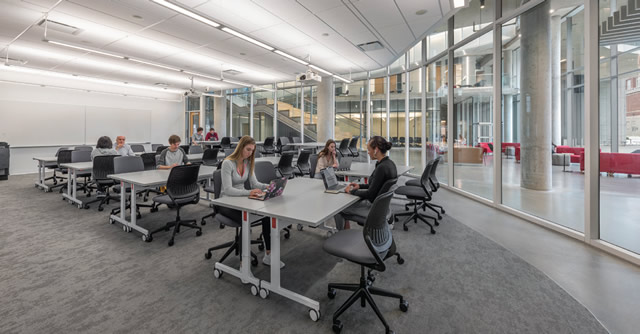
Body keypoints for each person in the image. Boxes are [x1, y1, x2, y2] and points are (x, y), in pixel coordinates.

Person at [220, 136, 283, 268]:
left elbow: (255, 183)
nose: (250, 153)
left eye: (252, 151)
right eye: (248, 149)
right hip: (225, 203)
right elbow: (228, 190)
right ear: (240, 147)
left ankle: (269, 255)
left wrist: (270, 186)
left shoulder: (248, 163)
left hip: (242, 199)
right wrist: (249, 192)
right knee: (246, 219)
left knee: (267, 214)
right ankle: (244, 264)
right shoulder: (227, 163)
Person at [335, 136, 397, 230]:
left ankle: (342, 236)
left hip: (373, 209)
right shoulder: (389, 164)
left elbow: (370, 194)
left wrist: (351, 191)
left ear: (376, 150)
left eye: (368, 150)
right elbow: (376, 186)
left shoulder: (381, 168)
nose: (368, 152)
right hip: (382, 207)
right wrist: (359, 186)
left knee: (338, 209)